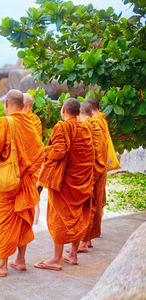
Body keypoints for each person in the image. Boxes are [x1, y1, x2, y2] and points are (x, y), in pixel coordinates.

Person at [0, 89, 44, 277]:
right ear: (23, 106)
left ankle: (1, 264)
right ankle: (20, 260)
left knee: (1, 221)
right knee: (22, 219)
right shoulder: (30, 123)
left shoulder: (3, 123)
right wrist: (26, 174)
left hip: (7, 186)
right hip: (25, 182)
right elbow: (40, 153)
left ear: (6, 104)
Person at [35, 98, 94, 271]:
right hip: (82, 180)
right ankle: (73, 255)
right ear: (78, 113)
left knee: (59, 217)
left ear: (63, 110)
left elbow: (59, 151)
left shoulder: (62, 127)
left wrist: (44, 151)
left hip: (65, 181)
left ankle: (56, 259)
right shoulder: (86, 127)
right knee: (77, 217)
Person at [66, 101, 108, 253]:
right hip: (98, 171)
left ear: (78, 113)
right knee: (91, 205)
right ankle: (87, 240)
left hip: (91, 173)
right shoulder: (95, 124)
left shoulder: (87, 126)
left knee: (87, 207)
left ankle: (83, 243)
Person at [22, 93, 43, 225]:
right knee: (34, 194)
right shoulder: (36, 120)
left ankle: (31, 223)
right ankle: (34, 224)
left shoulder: (16, 119)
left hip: (25, 163)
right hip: (34, 162)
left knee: (31, 194)